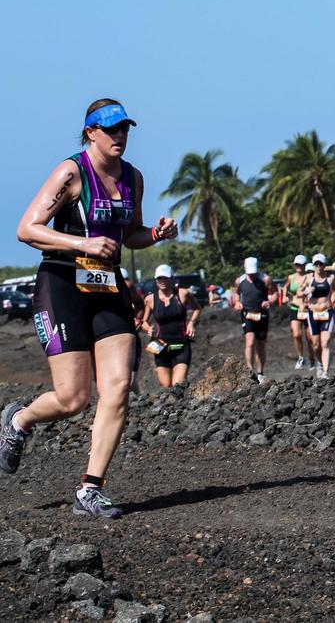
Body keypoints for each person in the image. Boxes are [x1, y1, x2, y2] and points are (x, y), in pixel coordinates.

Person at [2, 99, 179, 517]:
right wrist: (83, 243)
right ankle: (18, 421)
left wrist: (155, 233)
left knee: (118, 387)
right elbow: (27, 228)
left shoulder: (133, 177)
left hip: (107, 285)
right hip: (62, 282)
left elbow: (130, 233)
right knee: (73, 398)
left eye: (125, 129)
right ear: (90, 133)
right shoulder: (71, 172)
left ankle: (90, 489)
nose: (120, 136)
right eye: (111, 129)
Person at [141, 264, 199, 388]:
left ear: (172, 278)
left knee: (178, 385)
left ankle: (182, 407)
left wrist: (191, 323)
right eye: (159, 278)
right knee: (165, 385)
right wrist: (147, 328)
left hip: (181, 345)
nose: (162, 281)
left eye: (165, 278)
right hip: (160, 346)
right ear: (156, 280)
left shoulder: (183, 294)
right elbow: (144, 322)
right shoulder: (150, 299)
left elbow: (197, 308)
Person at [235, 256, 272, 383]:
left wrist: (269, 301)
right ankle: (250, 372)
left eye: (254, 273)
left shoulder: (265, 279)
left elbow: (275, 293)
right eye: (249, 273)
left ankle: (260, 372)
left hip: (262, 314)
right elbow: (236, 294)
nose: (252, 275)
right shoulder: (239, 281)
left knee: (260, 345)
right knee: (250, 342)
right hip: (247, 314)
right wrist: (237, 303)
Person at [284, 254, 311, 369]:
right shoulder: (291, 277)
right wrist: (285, 296)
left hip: (307, 308)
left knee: (310, 337)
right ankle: (301, 357)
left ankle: (313, 359)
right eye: (297, 264)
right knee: (296, 334)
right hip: (295, 307)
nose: (299, 266)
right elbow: (286, 287)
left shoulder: (310, 277)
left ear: (305, 265)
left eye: (301, 264)